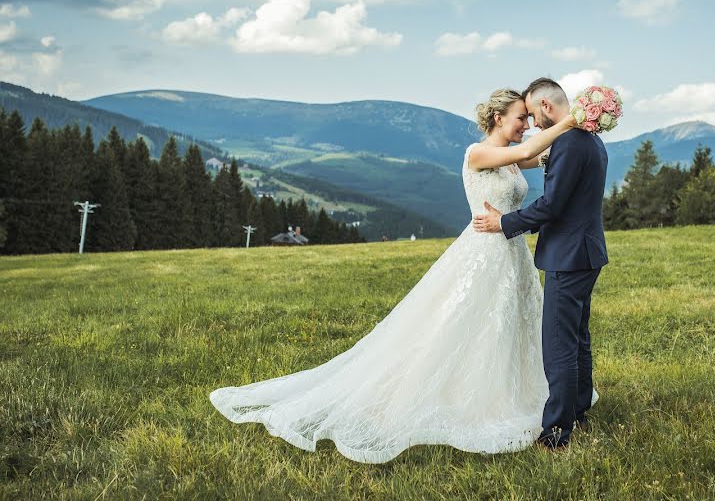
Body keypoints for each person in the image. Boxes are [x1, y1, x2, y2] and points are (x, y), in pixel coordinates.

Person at [209, 88, 586, 463]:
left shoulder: (509, 161)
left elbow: (545, 155)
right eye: (522, 118)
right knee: (466, 324)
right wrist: (571, 119)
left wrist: (584, 127)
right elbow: (525, 151)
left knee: (510, 326)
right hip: (484, 251)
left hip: (512, 252)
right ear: (499, 118)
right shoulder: (481, 153)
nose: (528, 125)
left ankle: (515, 393)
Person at [474, 77, 608, 449]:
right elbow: (529, 156)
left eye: (531, 115)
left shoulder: (569, 141)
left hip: (569, 255)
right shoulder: (591, 140)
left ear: (546, 108)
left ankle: (556, 432)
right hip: (586, 252)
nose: (531, 124)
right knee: (578, 338)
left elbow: (551, 206)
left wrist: (504, 222)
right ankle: (578, 411)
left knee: (559, 345)